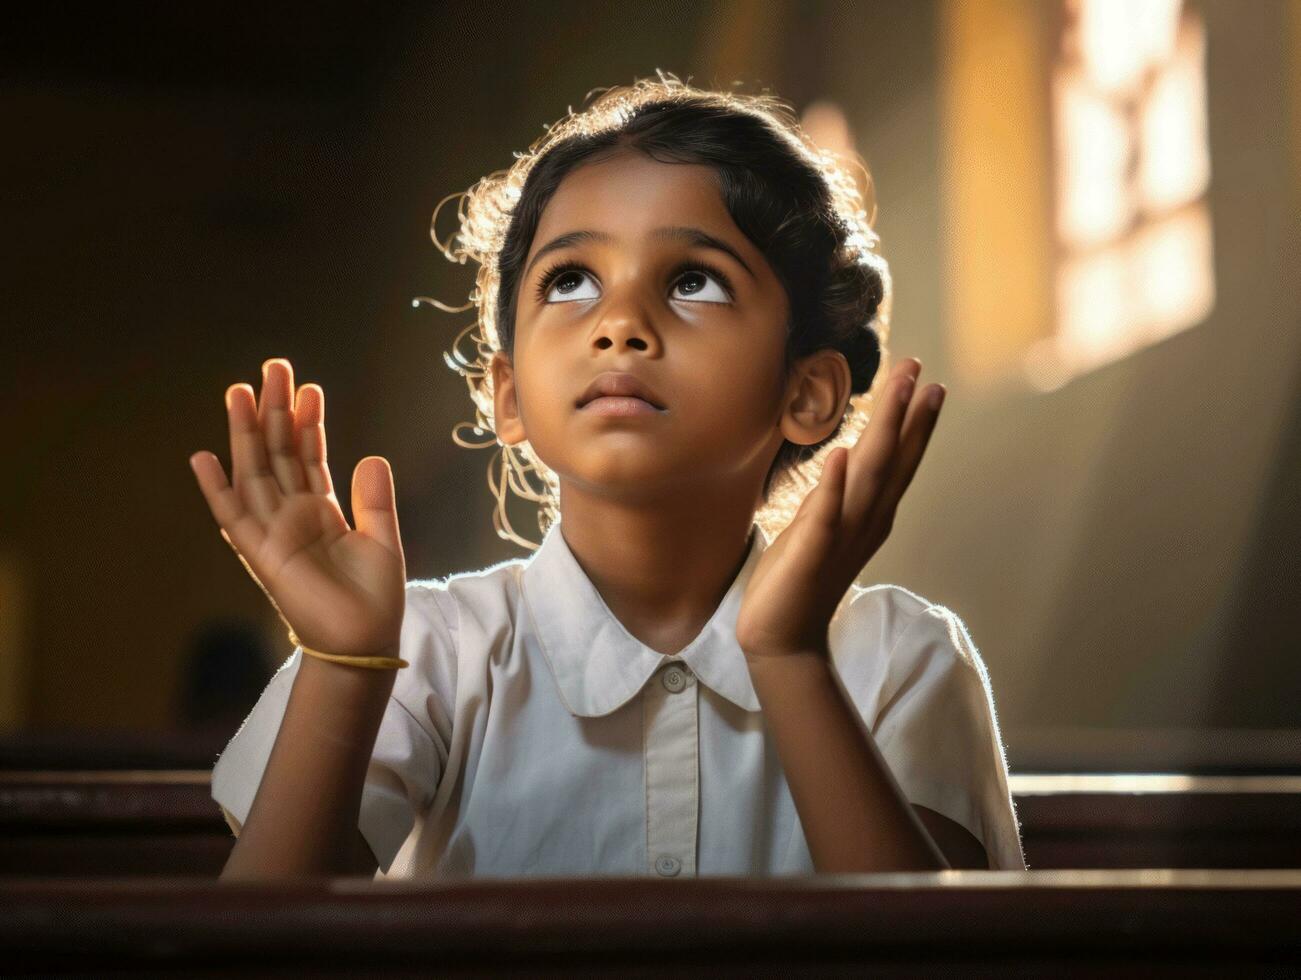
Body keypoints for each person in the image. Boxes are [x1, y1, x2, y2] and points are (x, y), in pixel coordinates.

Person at [188, 72, 1028, 881]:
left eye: (693, 282)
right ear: (508, 395)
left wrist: (789, 655)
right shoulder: (422, 652)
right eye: (571, 281)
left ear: (805, 392)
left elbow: (934, 952)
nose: (620, 323)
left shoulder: (900, 657)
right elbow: (261, 948)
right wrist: (341, 663)